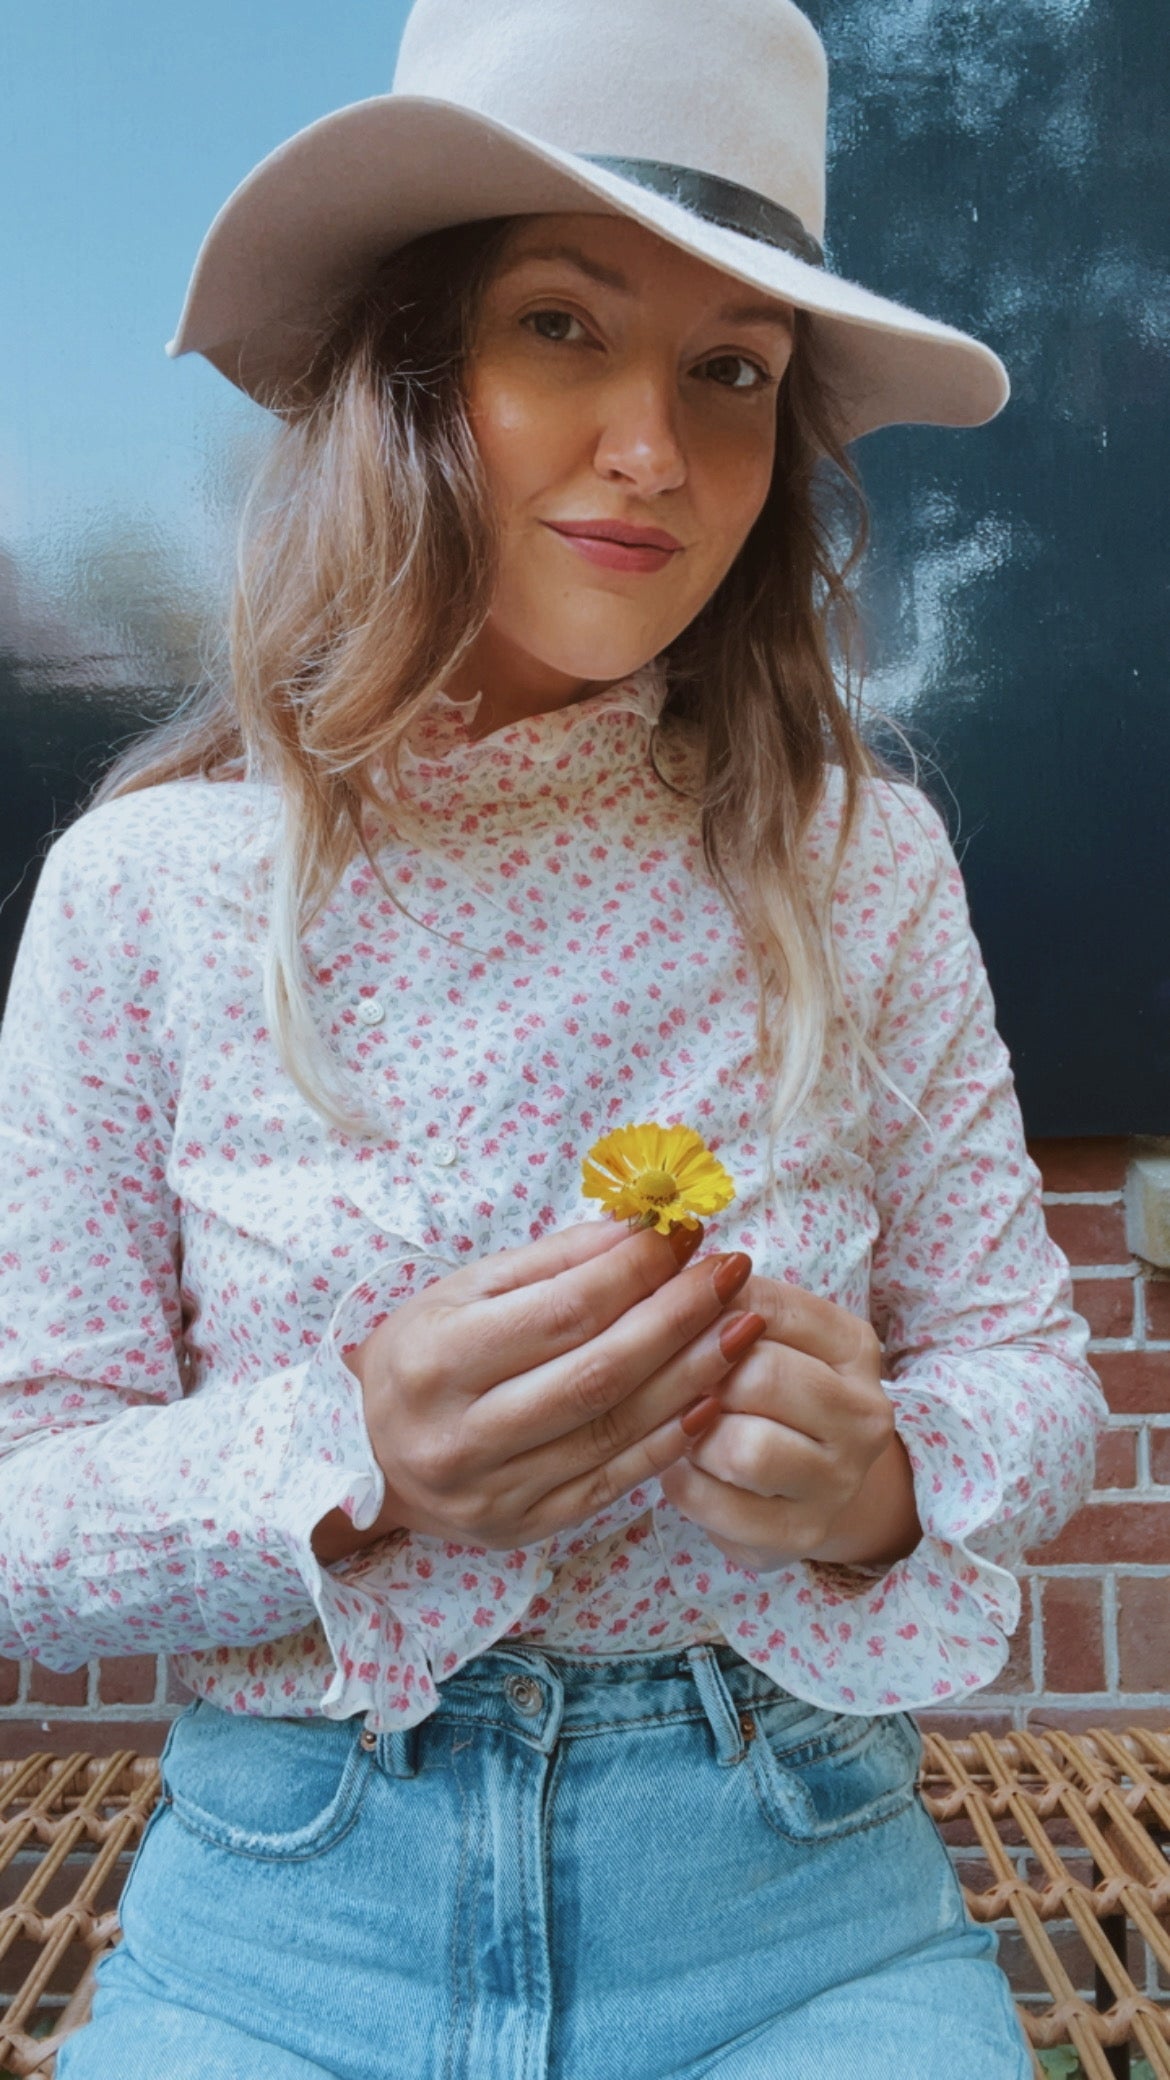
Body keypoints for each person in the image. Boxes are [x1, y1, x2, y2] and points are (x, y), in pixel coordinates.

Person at [0, 1, 1104, 2074]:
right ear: (406, 373)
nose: (655, 450)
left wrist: (877, 1482)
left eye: (733, 372)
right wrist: (350, 1454)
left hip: (795, 1902)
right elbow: (17, 1509)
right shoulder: (146, 897)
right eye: (562, 328)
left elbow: (1035, 1379)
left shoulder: (858, 864)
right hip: (277, 1926)